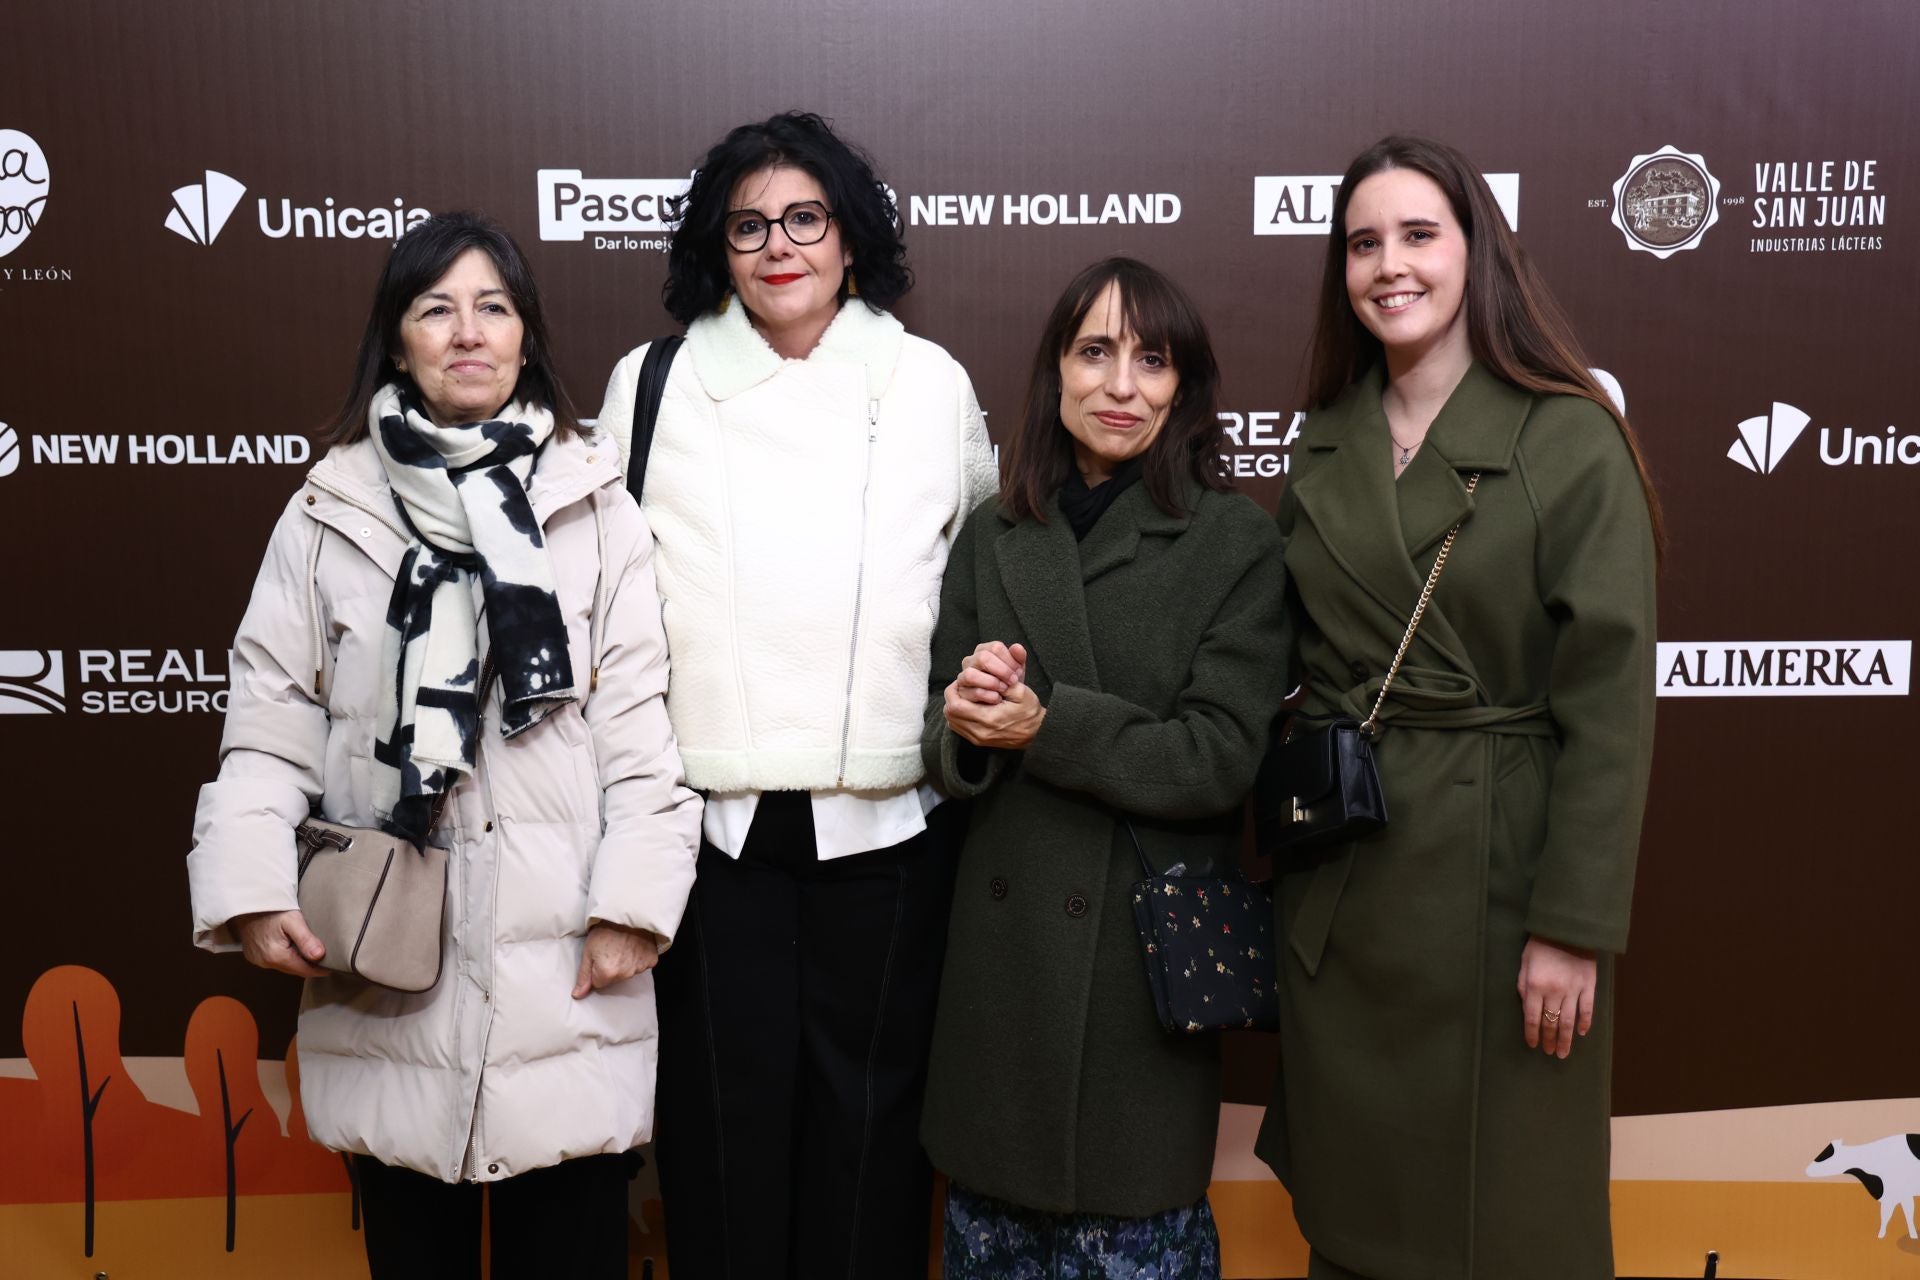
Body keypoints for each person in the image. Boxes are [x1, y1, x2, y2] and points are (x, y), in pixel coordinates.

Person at [187, 212, 702, 1280]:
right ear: (398, 338)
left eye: (493, 307)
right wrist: (250, 886)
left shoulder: (594, 508)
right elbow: (270, 717)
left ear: (526, 337)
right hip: (383, 971)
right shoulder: (329, 510)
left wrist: (632, 908)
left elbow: (642, 732)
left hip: (565, 968)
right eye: (437, 309)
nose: (468, 332)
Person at [594, 111, 997, 1279]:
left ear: (850, 236)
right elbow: (608, 596)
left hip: (890, 826)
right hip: (713, 837)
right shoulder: (653, 383)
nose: (780, 246)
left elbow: (975, 568)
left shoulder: (927, 381)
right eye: (750, 225)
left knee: (872, 1144)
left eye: (806, 218)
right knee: (720, 1141)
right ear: (718, 250)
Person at [1254, 136, 1662, 1279]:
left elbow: (1612, 706)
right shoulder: (1321, 439)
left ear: (1477, 250)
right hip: (1349, 879)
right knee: (1356, 1214)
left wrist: (1573, 925)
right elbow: (1266, 646)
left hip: (1502, 891)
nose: (1390, 264)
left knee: (1510, 1220)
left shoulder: (1571, 437)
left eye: (1419, 234)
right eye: (1363, 243)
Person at [919, 257, 1291, 1277]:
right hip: (1002, 992)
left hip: (1137, 993)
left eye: (1153, 358)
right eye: (1096, 352)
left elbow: (1218, 758)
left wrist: (1044, 724)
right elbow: (940, 749)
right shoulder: (993, 536)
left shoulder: (1235, 544)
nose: (1122, 385)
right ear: (1055, 372)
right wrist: (968, 720)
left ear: (1186, 386)